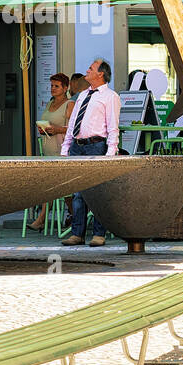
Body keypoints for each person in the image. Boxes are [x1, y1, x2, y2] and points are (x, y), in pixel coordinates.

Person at [60, 58, 121, 247]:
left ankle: (98, 233)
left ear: (100, 74)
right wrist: (66, 147)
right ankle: (77, 233)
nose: (87, 70)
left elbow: (113, 127)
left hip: (96, 146)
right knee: (78, 192)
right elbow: (72, 124)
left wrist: (111, 153)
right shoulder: (83, 95)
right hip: (77, 146)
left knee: (98, 192)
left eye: (91, 68)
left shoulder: (110, 96)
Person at [29, 73, 74, 231]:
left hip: (61, 149)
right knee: (51, 185)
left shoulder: (69, 105)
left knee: (64, 188)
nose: (53, 89)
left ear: (65, 88)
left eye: (56, 86)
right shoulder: (50, 103)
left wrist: (56, 129)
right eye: (51, 86)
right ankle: (70, 215)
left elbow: (73, 129)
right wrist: (44, 128)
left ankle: (72, 214)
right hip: (48, 148)